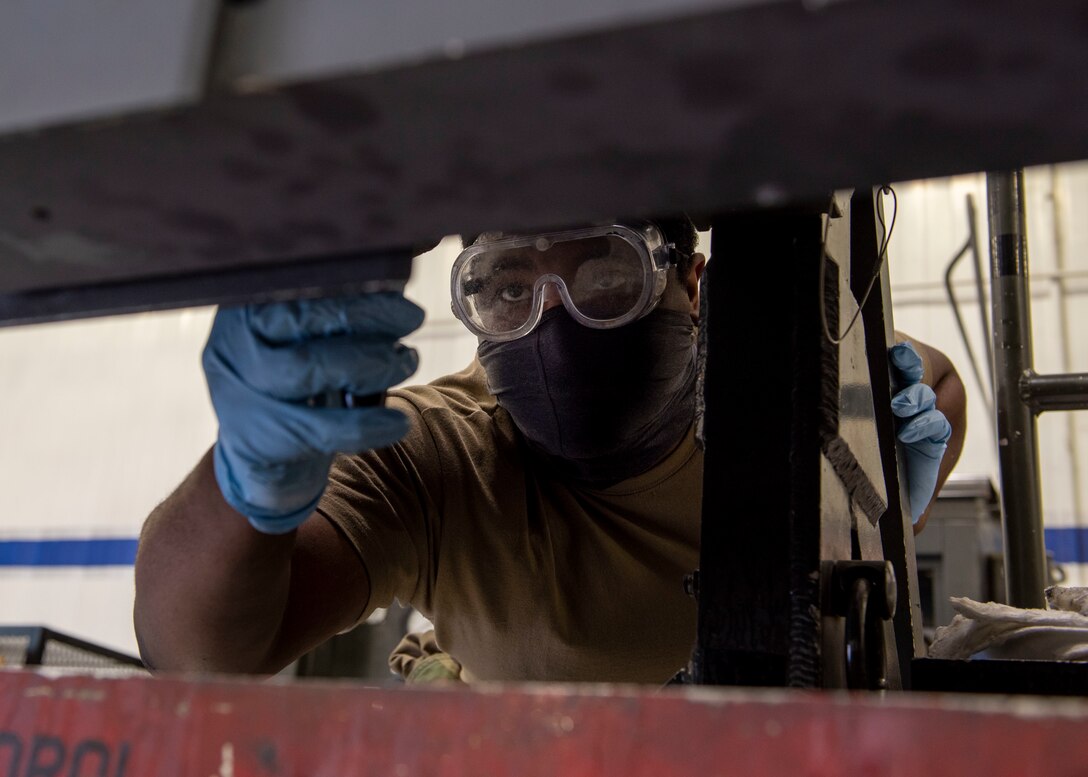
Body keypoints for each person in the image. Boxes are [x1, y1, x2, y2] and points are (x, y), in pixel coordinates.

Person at [133, 218, 965, 683]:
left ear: (692, 285)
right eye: (506, 287)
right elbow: (195, 650)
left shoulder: (772, 393)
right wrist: (243, 471)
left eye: (609, 275)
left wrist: (878, 482)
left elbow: (939, 382)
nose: (554, 322)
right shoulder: (435, 456)